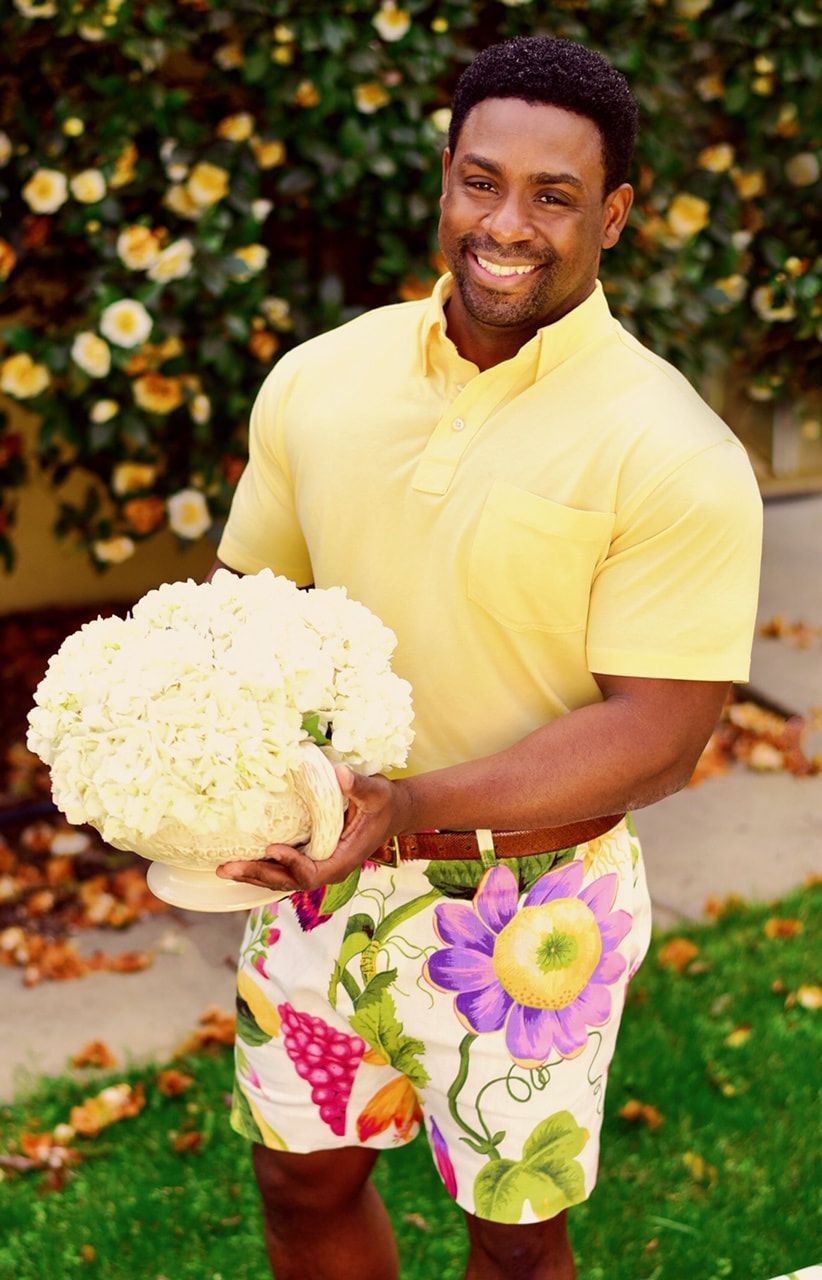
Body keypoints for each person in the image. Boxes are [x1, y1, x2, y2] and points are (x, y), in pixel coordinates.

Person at [209, 35, 762, 1280]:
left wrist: (408, 808)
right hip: (316, 871)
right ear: (447, 180)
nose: (507, 224)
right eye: (482, 181)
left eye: (554, 196)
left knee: (515, 1241)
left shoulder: (672, 449)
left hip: (534, 912)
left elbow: (659, 734)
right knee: (300, 1178)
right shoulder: (319, 379)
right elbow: (246, 610)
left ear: (613, 215)